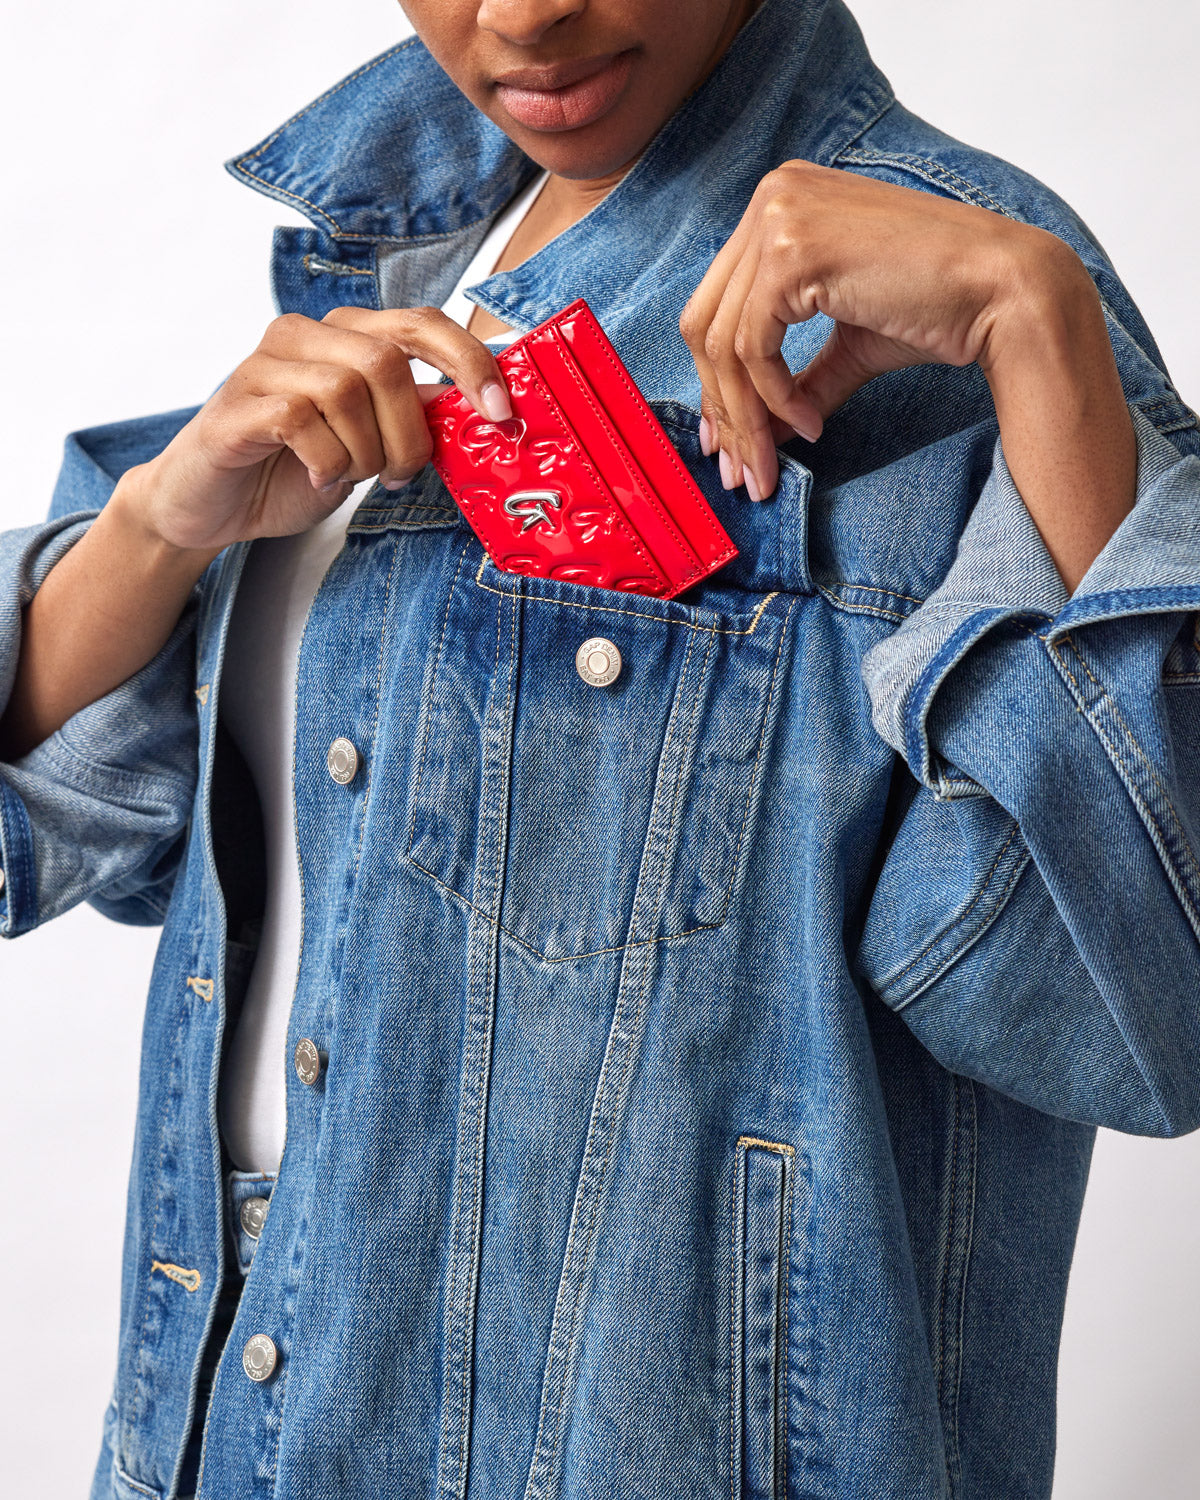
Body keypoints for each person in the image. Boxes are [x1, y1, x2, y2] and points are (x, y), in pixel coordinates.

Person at [1, 0, 1197, 1495]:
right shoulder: (402, 259)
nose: (523, 15)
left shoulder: (953, 292)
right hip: (226, 1429)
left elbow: (1151, 1001)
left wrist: (1041, 330)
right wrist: (154, 531)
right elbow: (61, 840)